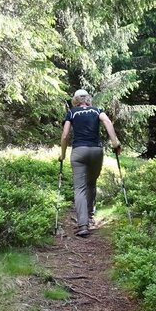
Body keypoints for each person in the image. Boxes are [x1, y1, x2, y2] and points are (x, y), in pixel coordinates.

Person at [59, 89, 121, 237]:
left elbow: (65, 135)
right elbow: (107, 121)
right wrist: (115, 143)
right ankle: (90, 215)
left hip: (79, 151)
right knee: (91, 182)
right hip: (96, 151)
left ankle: (83, 225)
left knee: (79, 188)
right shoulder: (97, 110)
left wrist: (62, 154)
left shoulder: (72, 113)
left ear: (75, 100)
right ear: (88, 98)